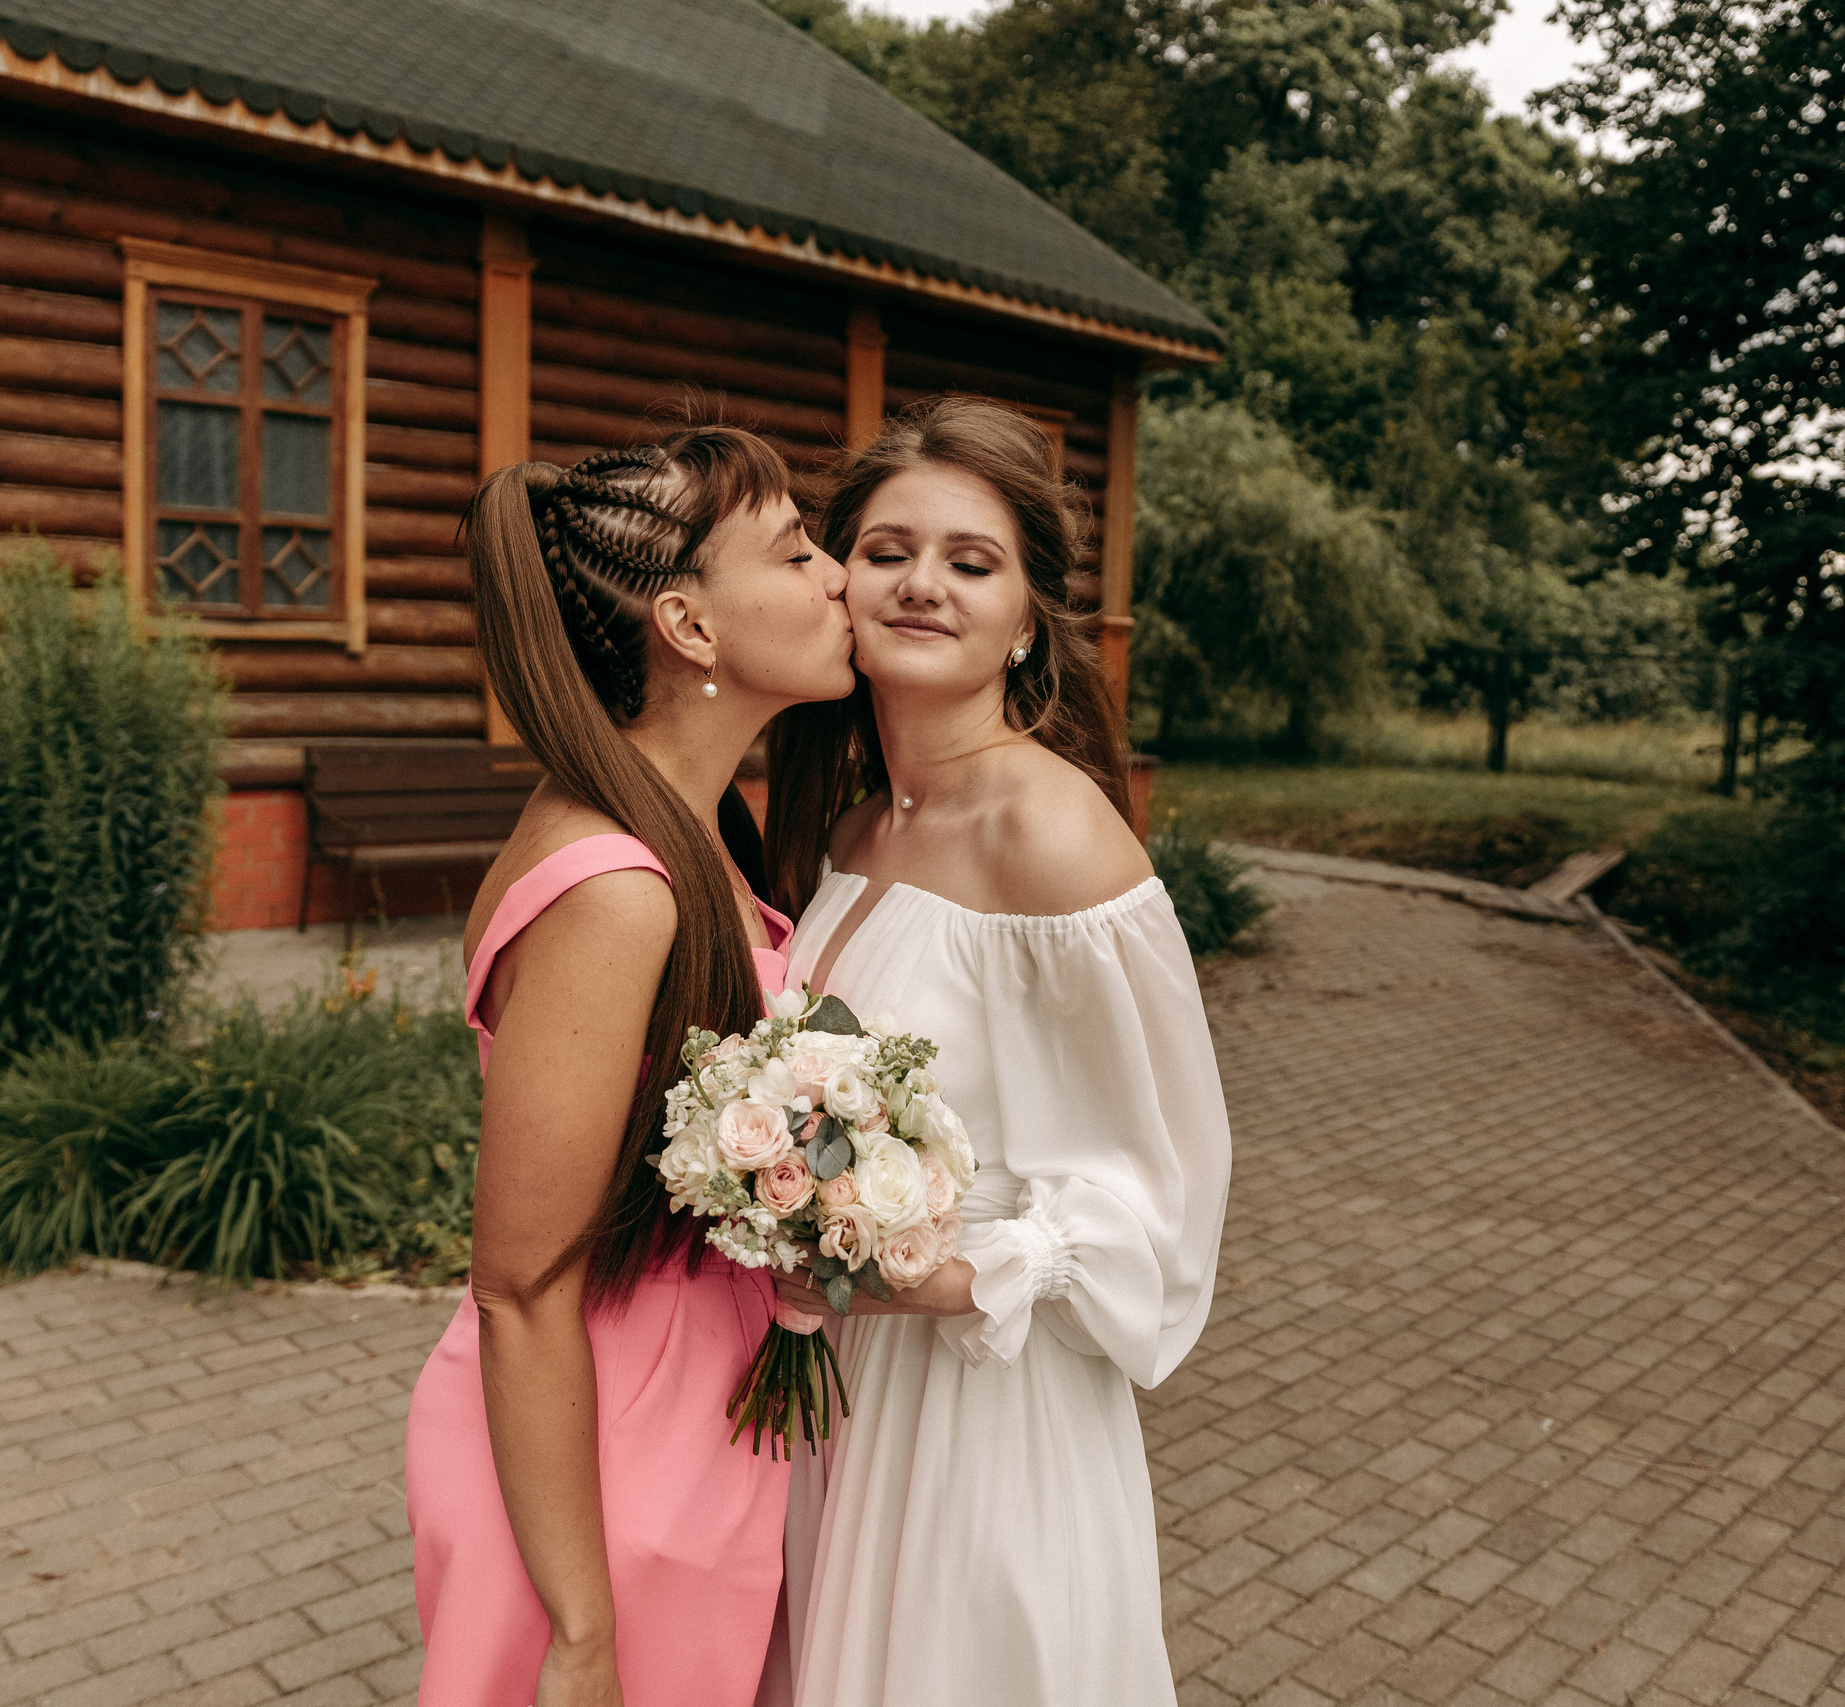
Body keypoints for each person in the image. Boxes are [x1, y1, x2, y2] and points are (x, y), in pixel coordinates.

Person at [762, 397, 1233, 1705]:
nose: (920, 584)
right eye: (886, 549)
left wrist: (962, 1270)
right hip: (835, 1385)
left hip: (980, 1412)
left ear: (1029, 619)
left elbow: (1166, 1192)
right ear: (837, 578)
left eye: (971, 562)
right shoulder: (853, 829)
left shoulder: (1056, 835)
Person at [406, 426, 853, 1707]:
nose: (834, 579)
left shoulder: (702, 828)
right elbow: (519, 1283)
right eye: (795, 548)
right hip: (598, 1454)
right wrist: (582, 1629)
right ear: (690, 627)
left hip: (682, 1419)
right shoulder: (616, 889)